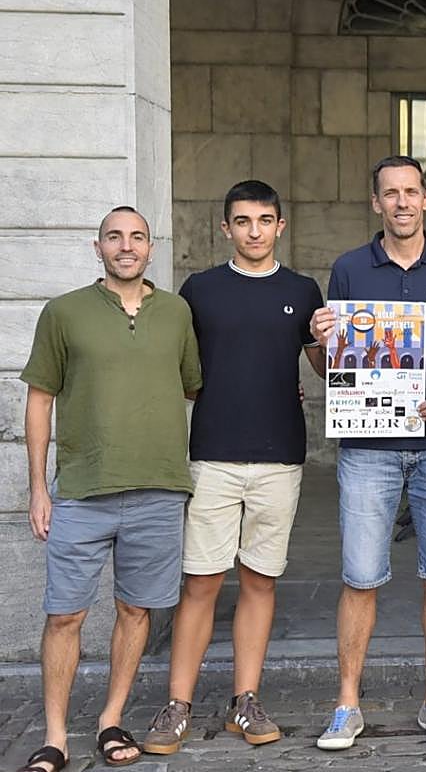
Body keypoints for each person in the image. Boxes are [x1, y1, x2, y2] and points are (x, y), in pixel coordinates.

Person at [308, 155, 426, 749]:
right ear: (376, 202)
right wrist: (321, 341)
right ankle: (346, 705)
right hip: (369, 447)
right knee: (360, 575)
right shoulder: (349, 268)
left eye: (411, 192)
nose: (402, 202)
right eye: (391, 193)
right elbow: (330, 369)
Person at [143, 180, 325, 754]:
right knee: (201, 581)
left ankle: (245, 700)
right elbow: (180, 369)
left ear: (280, 226)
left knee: (260, 580)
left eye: (265, 220)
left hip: (280, 456)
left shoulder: (302, 290)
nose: (254, 231)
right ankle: (177, 705)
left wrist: (328, 340)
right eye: (243, 221)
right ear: (225, 228)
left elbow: (325, 370)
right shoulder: (199, 290)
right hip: (212, 454)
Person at [18, 207, 202, 772]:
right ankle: (55, 737)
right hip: (82, 489)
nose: (126, 246)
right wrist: (38, 489)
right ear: (96, 247)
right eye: (114, 237)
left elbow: (194, 387)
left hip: (159, 489)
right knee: (64, 616)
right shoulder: (64, 312)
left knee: (135, 610)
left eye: (137, 237)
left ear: (151, 248)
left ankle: (110, 720)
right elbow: (40, 400)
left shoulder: (176, 312)